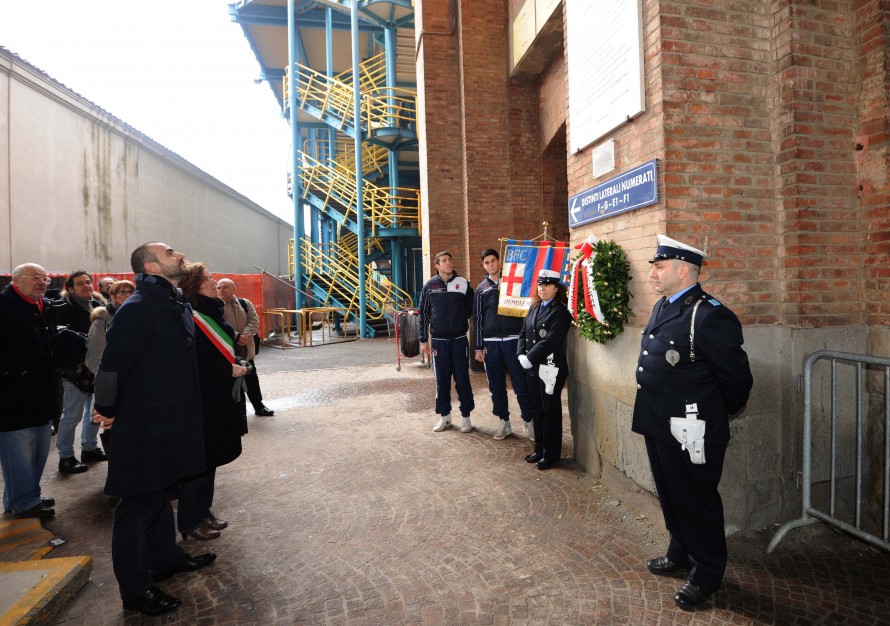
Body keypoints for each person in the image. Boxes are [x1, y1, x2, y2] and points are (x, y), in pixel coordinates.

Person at [93, 243, 216, 617]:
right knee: (137, 507)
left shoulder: (170, 301)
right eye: (170, 252)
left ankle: (166, 559)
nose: (179, 254)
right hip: (146, 426)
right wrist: (107, 408)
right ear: (151, 265)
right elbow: (112, 366)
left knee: (161, 495)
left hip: (171, 421)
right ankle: (135, 589)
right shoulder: (140, 306)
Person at [633, 234, 753, 610]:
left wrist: (711, 415)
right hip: (657, 420)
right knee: (671, 492)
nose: (653, 273)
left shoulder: (708, 314)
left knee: (696, 498)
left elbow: (737, 381)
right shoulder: (664, 307)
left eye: (660, 266)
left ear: (683, 270)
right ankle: (680, 550)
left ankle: (706, 571)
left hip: (691, 428)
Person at [177, 264, 247, 541]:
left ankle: (203, 511)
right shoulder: (191, 316)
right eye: (208, 279)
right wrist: (224, 370)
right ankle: (190, 520)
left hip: (219, 396)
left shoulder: (211, 310)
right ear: (195, 284)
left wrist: (235, 362)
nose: (213, 281)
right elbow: (188, 362)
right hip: (204, 399)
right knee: (201, 462)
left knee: (212, 459)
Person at [0, 264, 58, 520]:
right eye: (35, 278)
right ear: (16, 280)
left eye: (44, 279)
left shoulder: (44, 306)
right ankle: (25, 502)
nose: (42, 282)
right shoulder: (4, 306)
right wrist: (12, 372)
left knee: (38, 449)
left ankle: (22, 496)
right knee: (19, 451)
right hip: (12, 396)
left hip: (42, 392)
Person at [473, 248, 533, 440]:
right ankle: (503, 421)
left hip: (513, 341)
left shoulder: (512, 284)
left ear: (499, 261)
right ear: (483, 266)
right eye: (486, 263)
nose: (490, 265)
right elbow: (478, 320)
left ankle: (528, 421)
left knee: (520, 383)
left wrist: (524, 343)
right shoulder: (481, 289)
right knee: (496, 386)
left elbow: (525, 313)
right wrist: (478, 346)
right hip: (491, 345)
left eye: (493, 261)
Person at [517, 269, 573, 470]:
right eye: (540, 284)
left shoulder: (560, 311)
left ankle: (551, 455)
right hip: (532, 368)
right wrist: (521, 354)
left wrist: (530, 357)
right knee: (537, 409)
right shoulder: (535, 307)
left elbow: (552, 339)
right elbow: (523, 332)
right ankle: (539, 449)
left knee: (550, 411)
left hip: (550, 369)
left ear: (556, 288)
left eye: (547, 285)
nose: (543, 288)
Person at [52, 270, 106, 474]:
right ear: (71, 288)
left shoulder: (99, 307)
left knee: (95, 412)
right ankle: (66, 457)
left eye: (88, 282)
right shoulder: (62, 308)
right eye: (80, 283)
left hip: (97, 367)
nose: (86, 286)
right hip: (74, 370)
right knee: (71, 415)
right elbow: (61, 337)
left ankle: (89, 448)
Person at [418, 251, 475, 432]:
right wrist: (423, 340)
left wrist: (458, 322)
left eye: (449, 260)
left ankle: (466, 417)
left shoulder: (463, 284)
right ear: (437, 266)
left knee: (462, 379)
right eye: (444, 261)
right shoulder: (429, 286)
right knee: (441, 380)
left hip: (459, 340)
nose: (448, 263)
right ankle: (445, 417)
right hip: (439, 342)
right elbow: (424, 315)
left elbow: (469, 310)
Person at [216, 278, 274, 417]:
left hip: (246, 349)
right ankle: (236, 412)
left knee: (252, 379)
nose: (221, 290)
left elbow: (254, 320)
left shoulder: (244, 303)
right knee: (231, 382)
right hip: (227, 351)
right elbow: (219, 325)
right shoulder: (215, 305)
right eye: (218, 288)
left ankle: (259, 407)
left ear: (234, 289)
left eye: (225, 287)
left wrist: (245, 336)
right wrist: (236, 336)